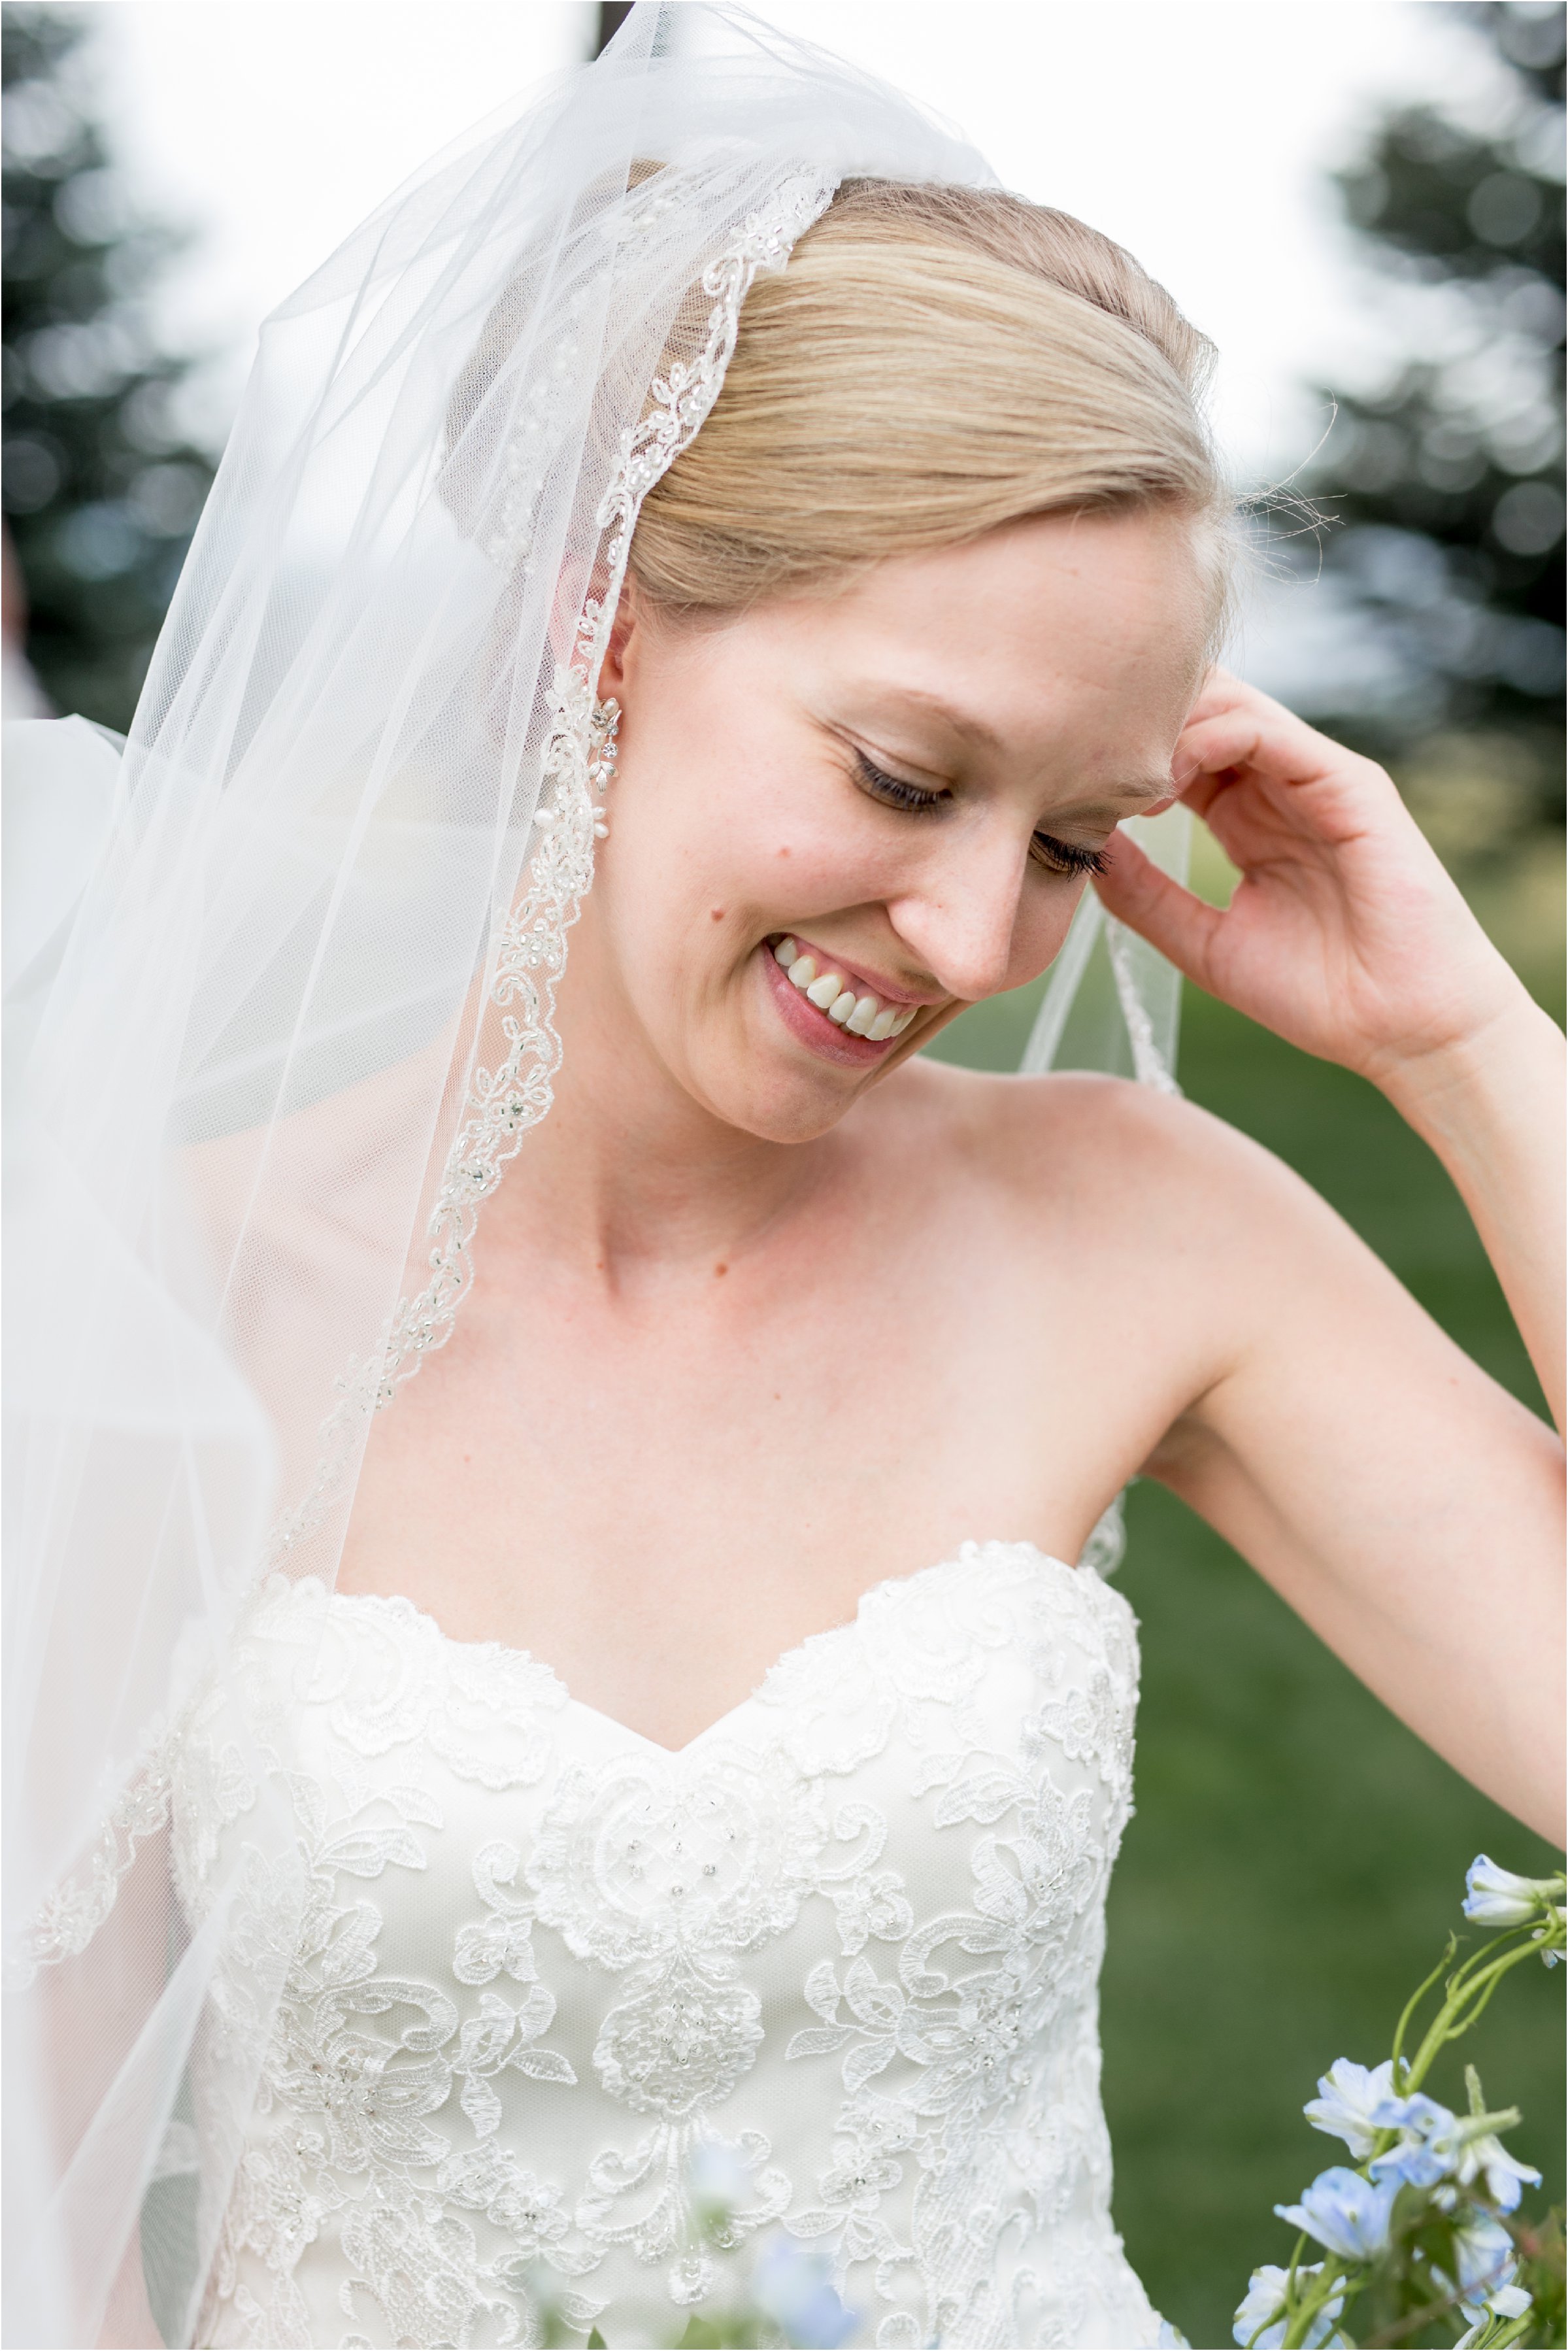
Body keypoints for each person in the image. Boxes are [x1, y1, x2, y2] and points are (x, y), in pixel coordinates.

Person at [3, 10, 1561, 2348]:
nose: (966, 940)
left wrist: (1471, 1044)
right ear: (604, 617)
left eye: (1065, 840)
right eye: (902, 772)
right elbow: (43, 2223)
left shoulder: (1151, 1230)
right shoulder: (157, 1305)